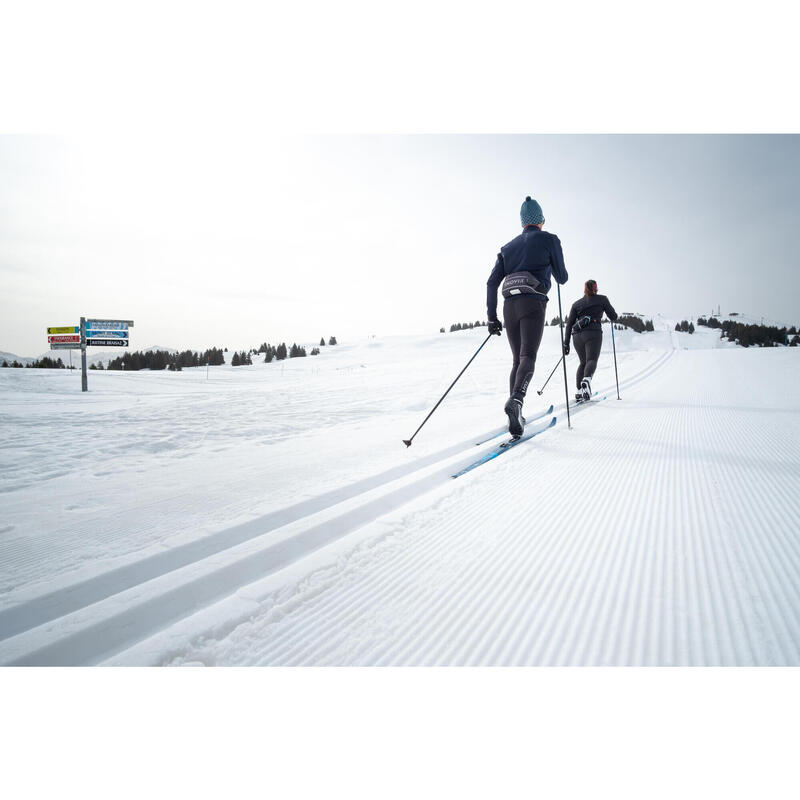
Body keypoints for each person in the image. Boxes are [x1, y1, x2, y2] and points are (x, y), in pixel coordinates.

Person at [486, 196, 568, 437]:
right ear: (540, 220)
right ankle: (517, 401)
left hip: (509, 306)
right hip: (533, 303)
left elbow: (491, 282)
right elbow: (562, 277)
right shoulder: (549, 239)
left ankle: (516, 411)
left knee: (516, 360)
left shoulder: (507, 248)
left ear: (523, 222)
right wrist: (550, 264)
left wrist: (492, 318)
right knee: (528, 356)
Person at [563, 280, 618, 402]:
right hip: (593, 333)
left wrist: (566, 343)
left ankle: (579, 391)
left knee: (583, 363)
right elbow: (613, 316)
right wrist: (613, 316)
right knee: (591, 360)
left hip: (576, 336)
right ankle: (586, 380)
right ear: (595, 288)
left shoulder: (576, 304)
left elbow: (569, 325)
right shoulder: (602, 299)